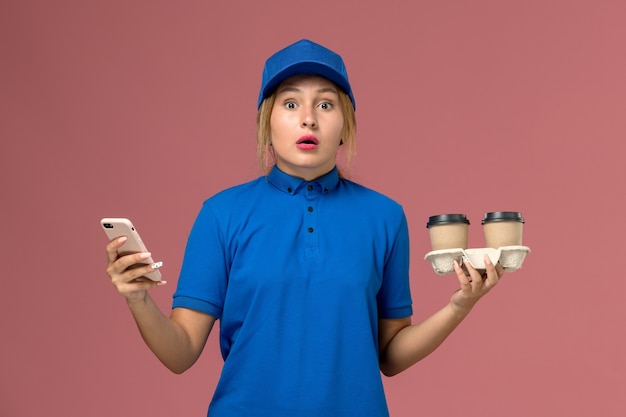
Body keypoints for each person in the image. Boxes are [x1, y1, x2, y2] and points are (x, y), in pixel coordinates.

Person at [106, 39, 504, 417]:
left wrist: (459, 306)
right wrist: (138, 299)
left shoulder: (385, 217)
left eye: (326, 104)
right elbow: (181, 353)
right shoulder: (221, 214)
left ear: (346, 125)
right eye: (291, 103)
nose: (308, 118)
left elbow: (390, 355)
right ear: (267, 122)